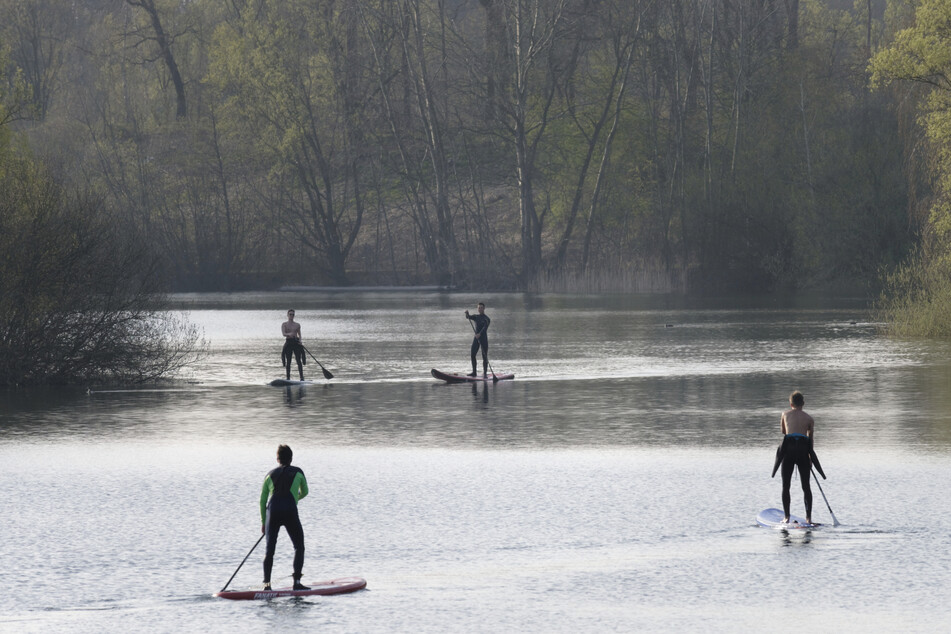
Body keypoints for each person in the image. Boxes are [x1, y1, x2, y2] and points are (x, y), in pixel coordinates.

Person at [261, 444, 309, 591]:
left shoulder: (269, 475)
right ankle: (297, 583)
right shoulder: (299, 472)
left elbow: (262, 501)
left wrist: (264, 523)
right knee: (299, 546)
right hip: (289, 510)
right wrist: (294, 499)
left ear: (277, 459)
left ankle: (266, 586)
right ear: (291, 458)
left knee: (270, 551)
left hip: (273, 512)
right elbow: (305, 492)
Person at [775, 391, 816, 525]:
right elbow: (810, 440)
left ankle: (786, 517)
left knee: (786, 485)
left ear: (790, 404)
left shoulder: (784, 414)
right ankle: (808, 518)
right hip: (803, 452)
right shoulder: (809, 419)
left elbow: (784, 432)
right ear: (803, 404)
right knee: (806, 486)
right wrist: (810, 457)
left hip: (789, 451)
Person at [465, 302, 490, 377]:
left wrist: (480, 334)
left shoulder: (487, 319)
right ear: (477, 309)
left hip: (483, 339)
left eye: (481, 307)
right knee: (473, 354)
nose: (480, 309)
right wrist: (467, 313)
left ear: (484, 308)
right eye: (479, 308)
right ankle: (474, 372)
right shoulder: (476, 317)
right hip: (476, 338)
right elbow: (468, 317)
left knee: (484, 356)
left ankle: (485, 373)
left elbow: (485, 328)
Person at [281, 309, 306, 381]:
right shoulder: (284, 324)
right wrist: (289, 334)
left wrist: (300, 341)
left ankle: (301, 377)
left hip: (296, 343)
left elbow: (300, 335)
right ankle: (288, 378)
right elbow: (283, 334)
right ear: (287, 315)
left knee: (299, 360)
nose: (291, 316)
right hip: (289, 342)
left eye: (293, 314)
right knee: (288, 361)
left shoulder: (297, 325)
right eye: (290, 314)